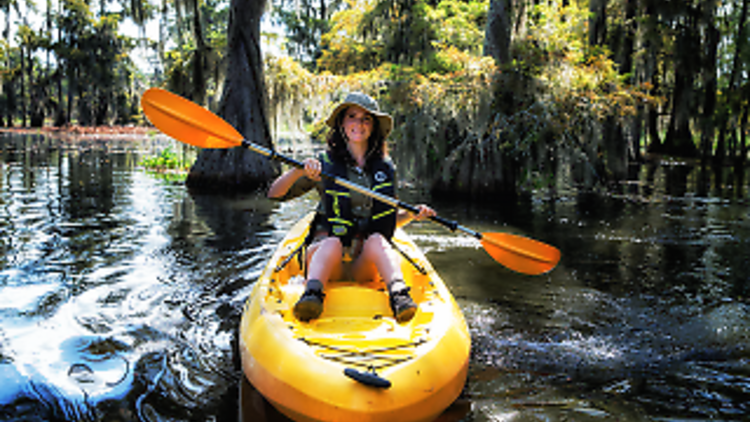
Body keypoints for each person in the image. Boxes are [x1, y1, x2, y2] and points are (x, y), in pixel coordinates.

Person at [267, 92, 436, 323]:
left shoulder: (385, 169)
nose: (359, 124)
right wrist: (298, 170)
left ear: (374, 126)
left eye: (366, 119)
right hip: (326, 263)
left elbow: (387, 222)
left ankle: (399, 296)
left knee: (377, 239)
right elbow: (275, 194)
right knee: (333, 242)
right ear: (342, 123)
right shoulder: (323, 164)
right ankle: (312, 294)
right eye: (352, 117)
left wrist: (412, 215)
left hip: (362, 266)